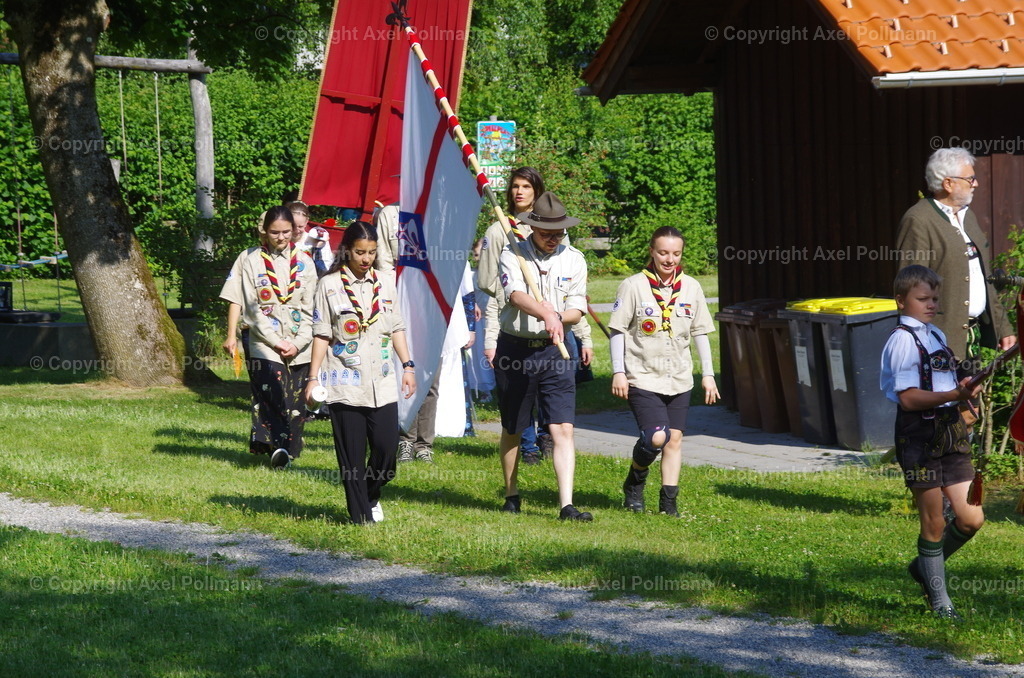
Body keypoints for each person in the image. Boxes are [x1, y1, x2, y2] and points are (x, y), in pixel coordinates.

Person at [880, 264, 984, 619]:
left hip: (952, 431)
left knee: (971, 517)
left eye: (934, 298)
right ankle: (940, 603)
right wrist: (953, 393)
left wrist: (969, 381)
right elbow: (908, 398)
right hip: (919, 436)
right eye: (922, 298)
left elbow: (951, 374)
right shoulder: (902, 341)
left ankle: (923, 566)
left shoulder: (936, 334)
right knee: (935, 522)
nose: (930, 304)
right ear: (901, 300)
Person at [478, 167, 593, 464]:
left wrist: (583, 336)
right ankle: (526, 447)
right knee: (516, 406)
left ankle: (546, 439)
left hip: (555, 334)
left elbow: (571, 296)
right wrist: (491, 339)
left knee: (555, 405)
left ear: (537, 191)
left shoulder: (558, 234)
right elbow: (496, 296)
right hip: (516, 333)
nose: (519, 192)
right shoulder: (498, 234)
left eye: (526, 186)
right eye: (515, 186)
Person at [305, 221, 416, 525]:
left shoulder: (385, 282)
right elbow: (321, 334)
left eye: (371, 253)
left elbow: (396, 327)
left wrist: (408, 366)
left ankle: (370, 494)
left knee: (386, 453)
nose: (366, 259)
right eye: (360, 252)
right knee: (351, 458)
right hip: (345, 380)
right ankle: (359, 518)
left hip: (381, 380)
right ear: (347, 251)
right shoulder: (329, 285)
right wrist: (313, 378)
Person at [494, 192, 592, 521]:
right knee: (513, 426)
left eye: (559, 233)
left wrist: (559, 318)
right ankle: (512, 493)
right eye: (547, 234)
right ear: (532, 228)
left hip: (555, 351)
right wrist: (545, 313)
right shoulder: (513, 253)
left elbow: (577, 310)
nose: (553, 239)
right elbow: (516, 295)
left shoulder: (574, 259)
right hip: (516, 350)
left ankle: (567, 505)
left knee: (562, 428)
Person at [608, 226, 718, 517]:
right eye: (663, 253)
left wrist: (708, 374)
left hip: (679, 377)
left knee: (676, 439)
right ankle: (635, 480)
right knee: (658, 436)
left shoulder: (691, 287)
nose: (669, 259)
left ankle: (668, 503)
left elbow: (700, 333)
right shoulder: (633, 285)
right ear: (652, 252)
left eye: (676, 253)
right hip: (642, 375)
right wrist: (618, 371)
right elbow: (617, 330)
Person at [219, 206, 318, 467]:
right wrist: (274, 341)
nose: (281, 238)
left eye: (286, 232)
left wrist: (296, 343)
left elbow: (311, 311)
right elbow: (249, 308)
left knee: (295, 403)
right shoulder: (250, 259)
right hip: (264, 342)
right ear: (264, 231)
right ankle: (279, 448)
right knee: (272, 391)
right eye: (275, 232)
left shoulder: (306, 262)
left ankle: (287, 448)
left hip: (299, 342)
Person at [896, 148, 1016, 361]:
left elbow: (983, 277)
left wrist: (1002, 326)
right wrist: (920, 345)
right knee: (945, 395)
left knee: (970, 392)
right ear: (948, 183)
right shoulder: (918, 220)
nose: (975, 184)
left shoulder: (967, 216)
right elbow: (911, 287)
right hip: (937, 342)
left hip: (971, 337)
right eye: (970, 179)